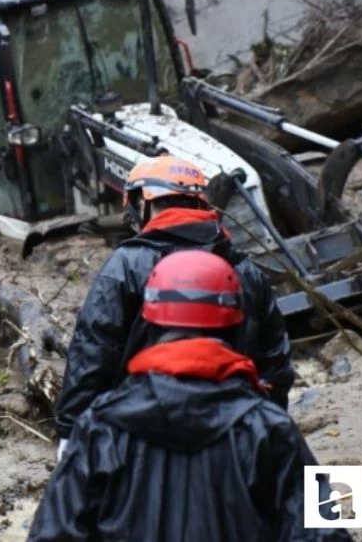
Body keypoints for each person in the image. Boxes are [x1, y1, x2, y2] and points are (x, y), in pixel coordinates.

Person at [29, 250, 350, 542]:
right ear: (236, 326)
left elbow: (52, 536)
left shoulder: (100, 429)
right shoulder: (271, 430)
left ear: (150, 325)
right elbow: (324, 534)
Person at [54, 154, 294, 458]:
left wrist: (71, 430)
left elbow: (93, 352)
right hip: (234, 436)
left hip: (142, 439)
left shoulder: (126, 266)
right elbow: (275, 362)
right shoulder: (244, 269)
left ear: (142, 205)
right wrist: (268, 428)